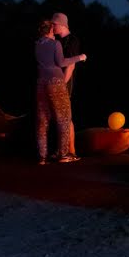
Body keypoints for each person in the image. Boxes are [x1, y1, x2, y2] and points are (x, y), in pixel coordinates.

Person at [35, 19, 86, 165]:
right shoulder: (55, 44)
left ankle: (42, 157)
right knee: (63, 119)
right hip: (56, 83)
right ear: (50, 30)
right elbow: (62, 62)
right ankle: (63, 155)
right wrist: (80, 57)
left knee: (42, 121)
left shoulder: (37, 45)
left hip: (41, 84)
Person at [51, 12, 81, 157]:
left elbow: (71, 65)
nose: (52, 27)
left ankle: (72, 150)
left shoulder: (72, 41)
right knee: (59, 116)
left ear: (61, 24)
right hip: (57, 81)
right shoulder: (57, 41)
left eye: (54, 24)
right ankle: (62, 150)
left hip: (65, 82)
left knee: (65, 116)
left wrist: (62, 83)